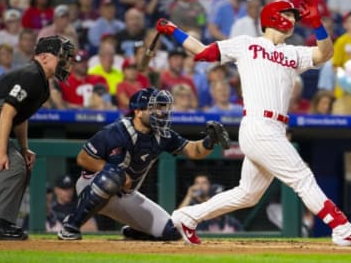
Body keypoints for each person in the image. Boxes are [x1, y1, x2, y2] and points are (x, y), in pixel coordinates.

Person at [155, 0, 351, 246]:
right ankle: (341, 227)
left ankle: (186, 217)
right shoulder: (246, 44)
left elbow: (325, 54)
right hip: (258, 124)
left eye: (295, 16)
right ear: (274, 16)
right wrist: (173, 30)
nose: (294, 19)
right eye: (289, 14)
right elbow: (203, 52)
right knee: (302, 177)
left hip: (275, 128)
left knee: (247, 194)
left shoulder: (292, 52)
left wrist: (318, 25)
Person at [57, 88, 230, 240]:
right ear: (138, 111)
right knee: (112, 176)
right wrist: (115, 171)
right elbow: (83, 158)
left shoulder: (162, 135)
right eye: (154, 107)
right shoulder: (116, 131)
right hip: (93, 185)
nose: (161, 112)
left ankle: (136, 231)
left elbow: (193, 151)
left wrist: (209, 141)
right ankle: (70, 226)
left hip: (126, 194)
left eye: (161, 107)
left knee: (172, 232)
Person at [0, 35, 75, 240]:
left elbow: (20, 117)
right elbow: (8, 111)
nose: (66, 62)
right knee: (12, 165)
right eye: (62, 56)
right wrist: (0, 152)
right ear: (43, 57)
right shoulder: (31, 74)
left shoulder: (42, 83)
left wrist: (24, 148)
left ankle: (1, 221)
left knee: (20, 162)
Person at [178, 173, 242, 232]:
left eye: (204, 183)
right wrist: (189, 196)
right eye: (197, 183)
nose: (200, 186)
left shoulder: (231, 221)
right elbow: (178, 218)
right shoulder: (193, 204)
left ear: (209, 185)